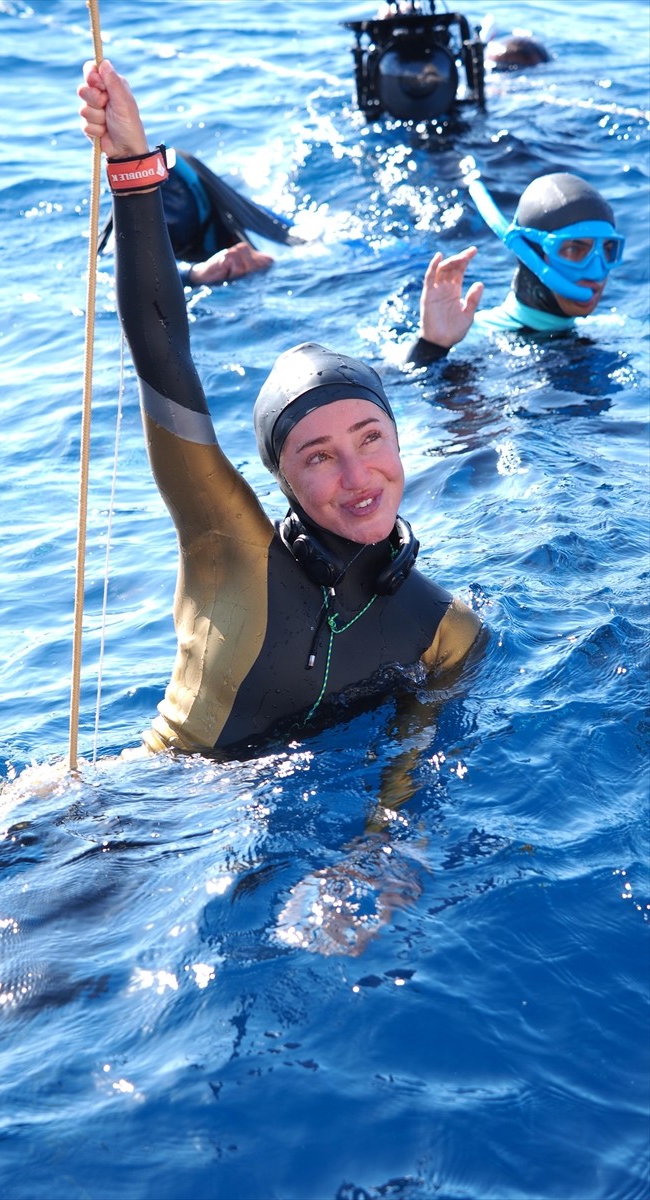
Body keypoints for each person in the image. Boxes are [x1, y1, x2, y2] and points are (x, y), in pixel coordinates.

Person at [78, 58, 483, 758]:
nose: (358, 478)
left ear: (398, 440)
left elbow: (413, 767)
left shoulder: (446, 628)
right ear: (282, 478)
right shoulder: (229, 546)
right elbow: (162, 351)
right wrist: (134, 168)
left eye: (370, 440)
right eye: (319, 457)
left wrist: (381, 850)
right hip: (147, 809)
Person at [405, 171, 625, 367]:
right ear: (530, 253)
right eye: (573, 249)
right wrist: (431, 348)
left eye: (607, 249)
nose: (596, 272)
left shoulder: (616, 331)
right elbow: (385, 398)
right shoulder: (466, 337)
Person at [97, 145, 301, 286]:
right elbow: (115, 271)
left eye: (168, 198)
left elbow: (305, 247)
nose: (155, 214)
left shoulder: (250, 219)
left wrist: (268, 262)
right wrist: (196, 274)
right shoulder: (125, 230)